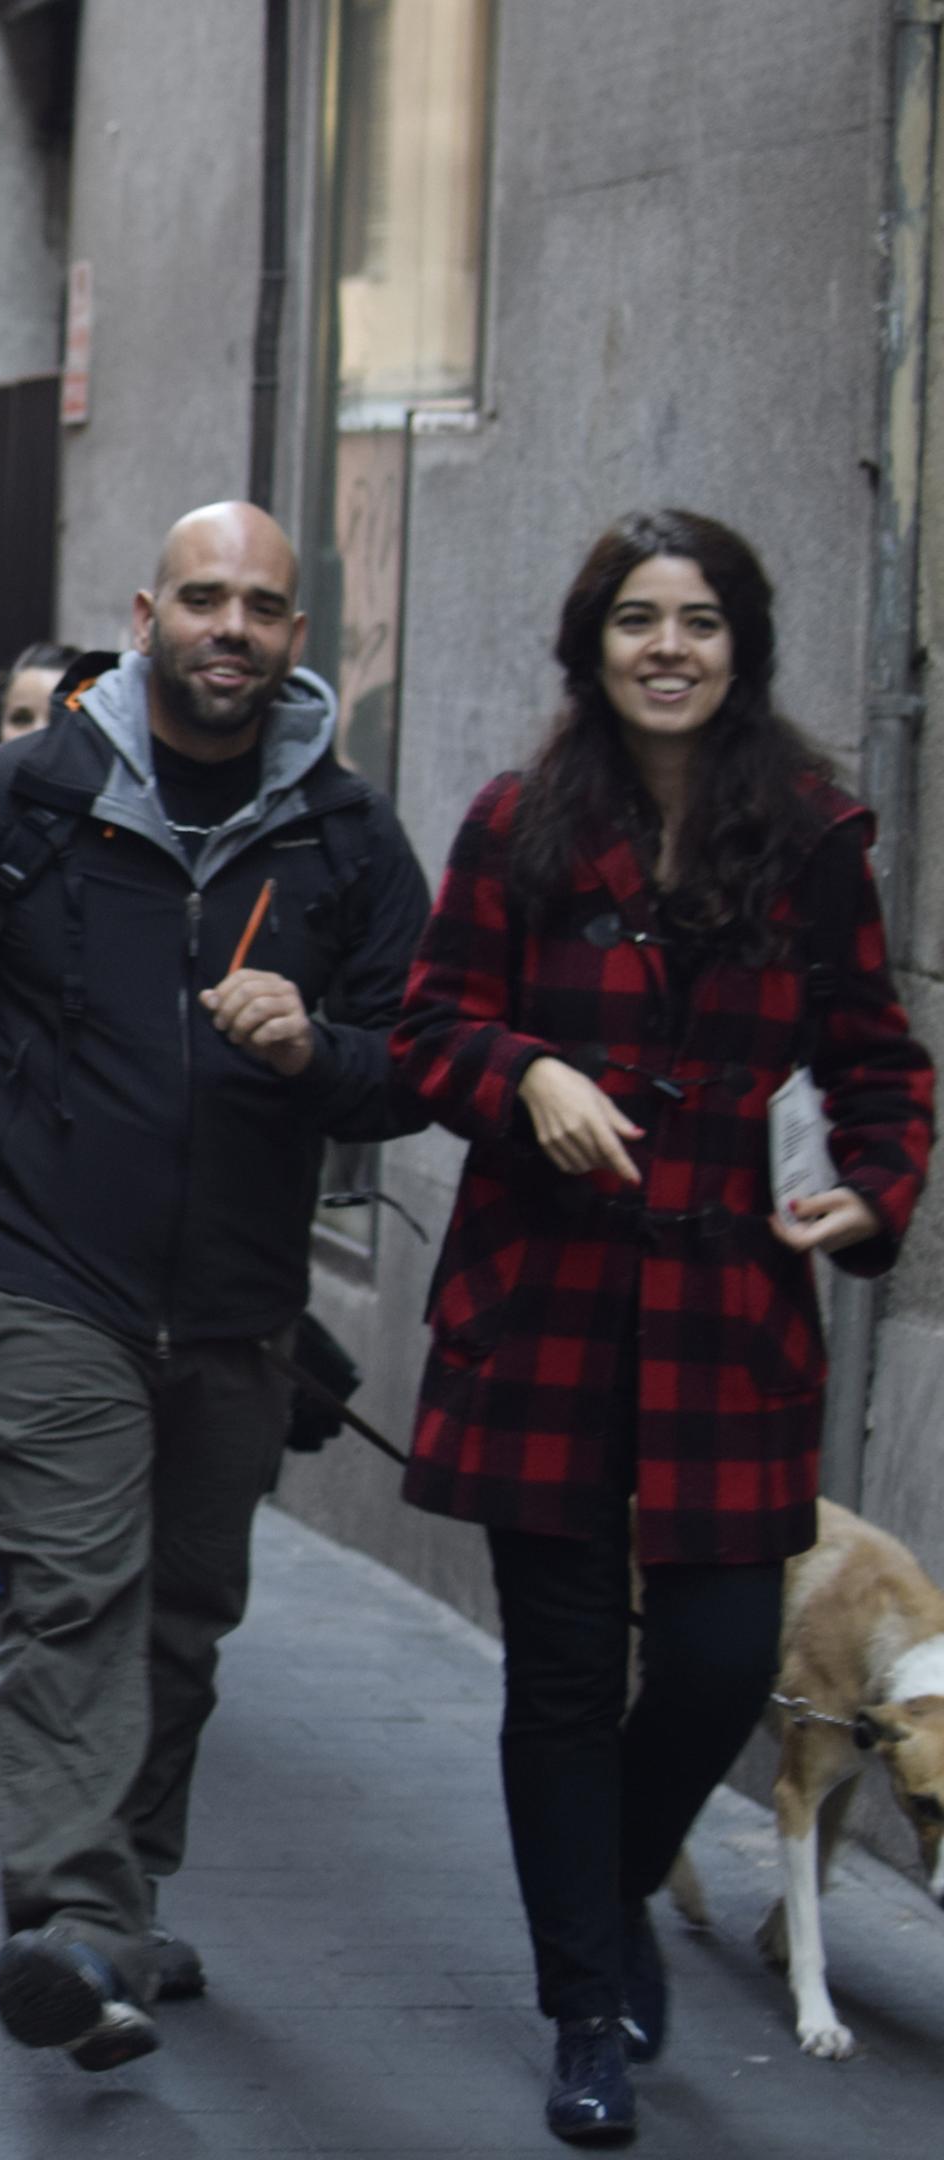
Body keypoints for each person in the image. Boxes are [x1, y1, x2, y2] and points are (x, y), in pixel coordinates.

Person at [0, 503, 433, 2073]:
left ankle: (119, 1910)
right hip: (42, 1278)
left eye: (262, 608)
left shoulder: (346, 839)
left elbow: (419, 1067)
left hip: (235, 1303)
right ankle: (73, 1919)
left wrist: (319, 1046)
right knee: (73, 1591)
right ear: (146, 615)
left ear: (299, 638)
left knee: (186, 1616)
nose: (230, 627)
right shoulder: (22, 802)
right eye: (201, 598)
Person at [389, 510, 929, 2144]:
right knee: (559, 1678)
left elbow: (876, 1063)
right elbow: (425, 1030)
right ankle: (583, 2012)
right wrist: (526, 1073)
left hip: (727, 1322)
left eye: (700, 621)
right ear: (594, 645)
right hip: (543, 1307)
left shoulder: (819, 839)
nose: (669, 649)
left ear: (741, 646)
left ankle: (605, 1884)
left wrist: (874, 1190)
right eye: (639, 620)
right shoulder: (515, 827)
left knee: (711, 1663)